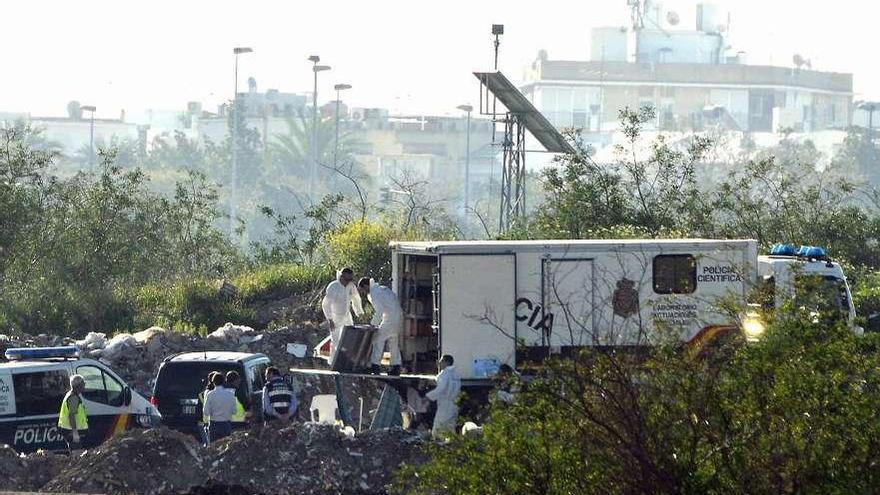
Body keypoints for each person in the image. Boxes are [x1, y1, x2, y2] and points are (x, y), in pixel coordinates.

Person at [357, 277, 404, 375]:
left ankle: (375, 366)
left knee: (377, 340)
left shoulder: (375, 293)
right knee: (393, 342)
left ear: (366, 286)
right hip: (398, 318)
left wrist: (372, 325)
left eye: (363, 290)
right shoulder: (382, 289)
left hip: (389, 319)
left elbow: (379, 310)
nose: (364, 292)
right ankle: (396, 367)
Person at [321, 267, 365, 352]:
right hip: (335, 317)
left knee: (351, 339)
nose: (348, 282)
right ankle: (333, 362)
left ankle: (348, 361)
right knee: (335, 341)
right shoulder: (333, 286)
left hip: (347, 316)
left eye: (350, 279)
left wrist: (359, 312)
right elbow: (326, 304)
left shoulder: (351, 285)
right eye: (346, 279)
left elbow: (356, 298)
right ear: (341, 277)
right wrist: (330, 320)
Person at [426, 355, 461, 440]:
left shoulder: (444, 374)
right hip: (454, 404)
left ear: (446, 362)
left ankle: (438, 447)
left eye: (441, 361)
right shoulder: (455, 374)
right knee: (450, 428)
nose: (439, 363)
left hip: (445, 405)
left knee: (438, 428)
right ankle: (451, 447)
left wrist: (427, 397)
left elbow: (441, 388)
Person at [202, 372, 236, 443]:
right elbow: (234, 411)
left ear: (213, 382)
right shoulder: (230, 394)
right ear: (223, 381)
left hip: (214, 425)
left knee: (214, 448)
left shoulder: (210, 394)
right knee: (226, 446)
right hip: (226, 424)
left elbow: (206, 412)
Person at [58, 374, 88, 451]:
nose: (85, 385)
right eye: (83, 383)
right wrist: (75, 433)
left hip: (68, 429)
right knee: (77, 453)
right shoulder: (73, 398)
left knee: (75, 451)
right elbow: (71, 416)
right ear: (79, 386)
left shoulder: (71, 395)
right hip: (71, 431)